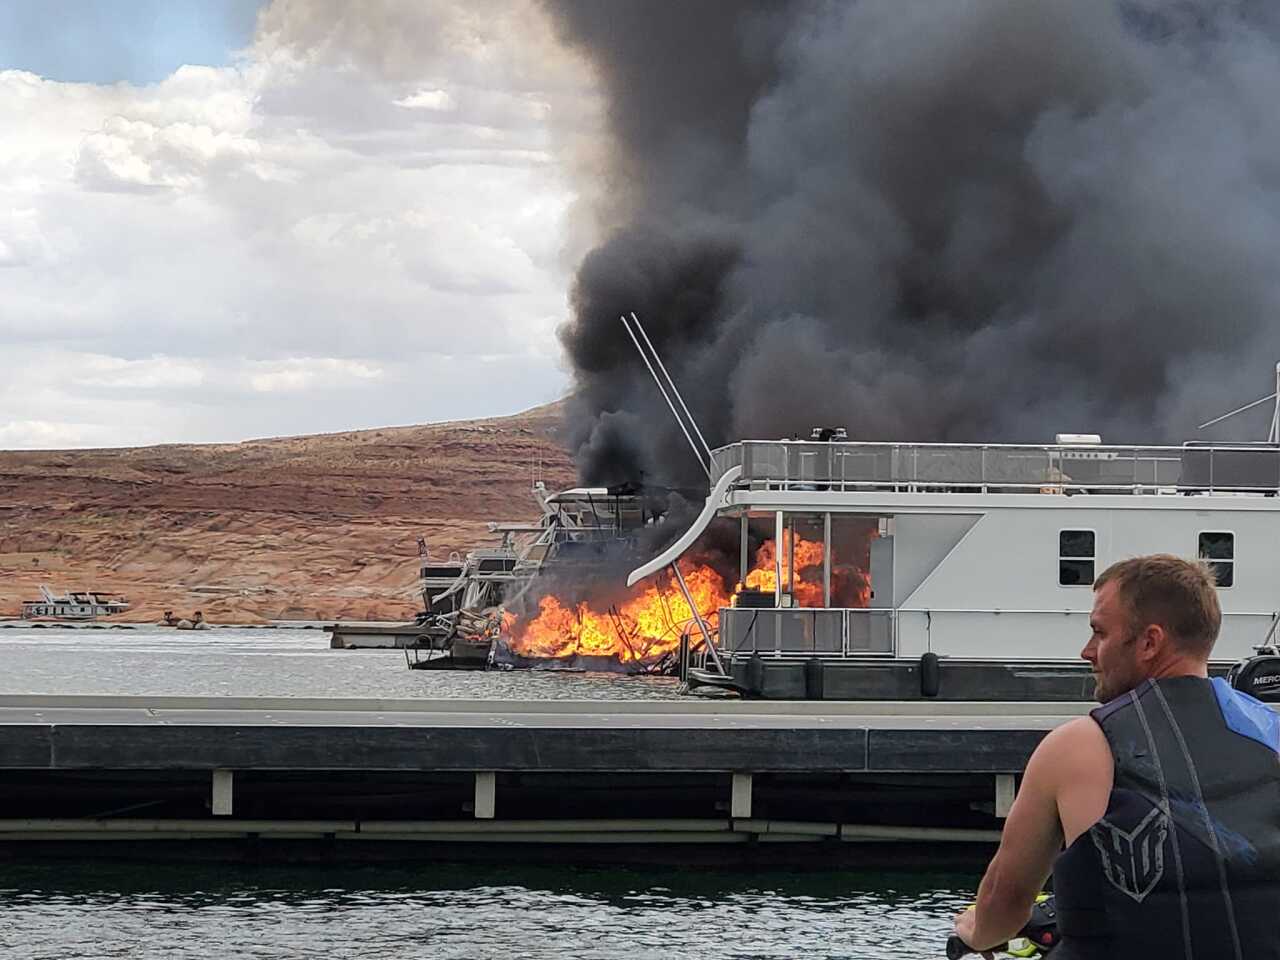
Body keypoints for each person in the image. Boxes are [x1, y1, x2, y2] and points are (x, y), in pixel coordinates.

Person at [952, 554, 1280, 959]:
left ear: (1149, 642)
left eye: (1099, 633)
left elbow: (1004, 904)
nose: (1087, 651)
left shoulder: (1079, 747)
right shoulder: (1274, 735)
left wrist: (973, 933)